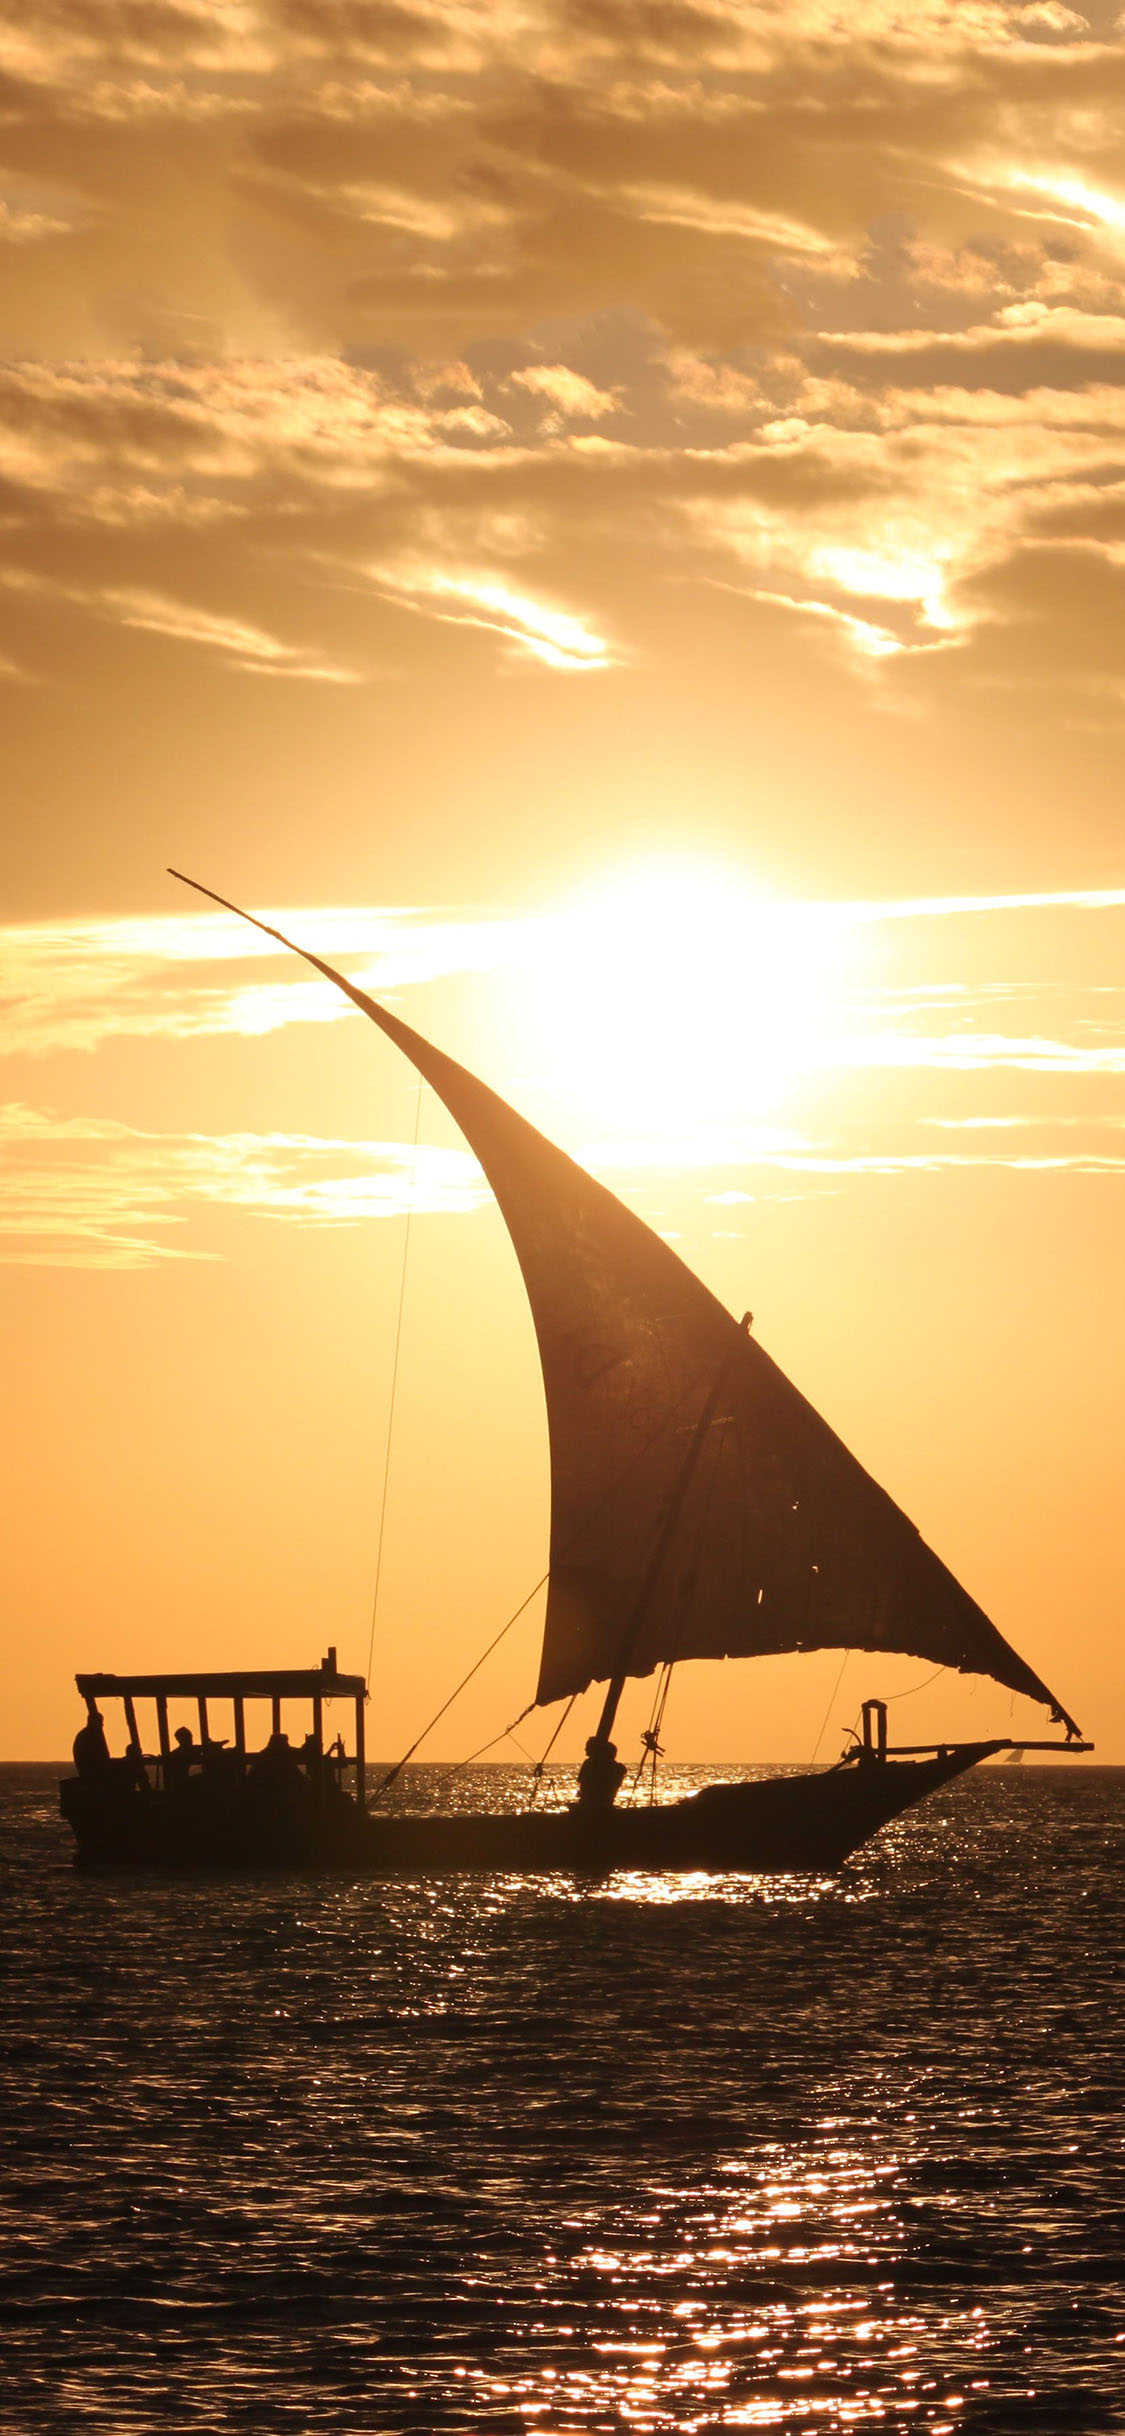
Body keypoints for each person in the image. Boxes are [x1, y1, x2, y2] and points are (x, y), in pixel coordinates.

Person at [576, 1734, 627, 1811]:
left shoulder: (590, 1764)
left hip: (593, 1807)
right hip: (604, 1805)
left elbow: (585, 1786)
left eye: (588, 1746)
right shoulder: (616, 1767)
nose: (585, 1749)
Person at [72, 1709, 112, 1778]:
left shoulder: (86, 1734)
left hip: (87, 1769)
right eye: (100, 1722)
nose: (102, 1725)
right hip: (90, 1770)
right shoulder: (89, 1735)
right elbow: (94, 1756)